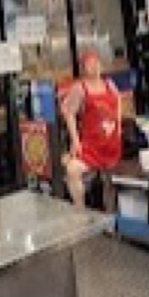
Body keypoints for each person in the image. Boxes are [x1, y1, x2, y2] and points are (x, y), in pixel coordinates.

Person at [62, 49, 123, 210]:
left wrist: (119, 126)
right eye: (90, 64)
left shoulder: (109, 84)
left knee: (110, 180)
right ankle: (80, 209)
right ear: (84, 68)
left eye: (96, 63)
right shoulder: (79, 88)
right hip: (91, 145)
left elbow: (118, 100)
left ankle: (110, 215)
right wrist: (75, 141)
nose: (95, 67)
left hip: (111, 142)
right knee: (72, 170)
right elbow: (68, 112)